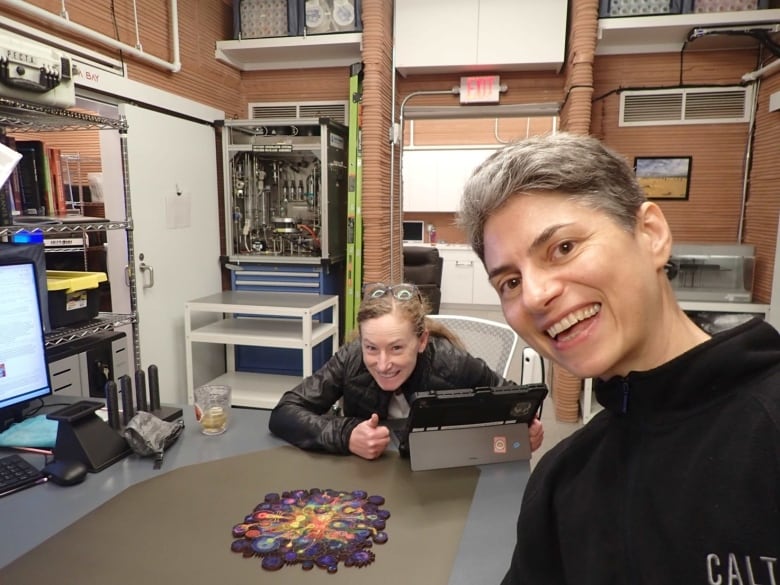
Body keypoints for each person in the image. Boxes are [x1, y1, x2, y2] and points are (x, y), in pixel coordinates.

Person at [458, 132, 780, 584]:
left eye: (563, 248)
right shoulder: (562, 481)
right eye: (509, 282)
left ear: (651, 234)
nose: (534, 295)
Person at [269, 282, 544, 460]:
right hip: (366, 483)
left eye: (397, 348)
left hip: (438, 484)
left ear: (422, 340)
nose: (383, 363)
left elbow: (516, 401)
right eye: (371, 348)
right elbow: (285, 411)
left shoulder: (453, 362)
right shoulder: (350, 359)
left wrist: (525, 430)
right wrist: (346, 434)